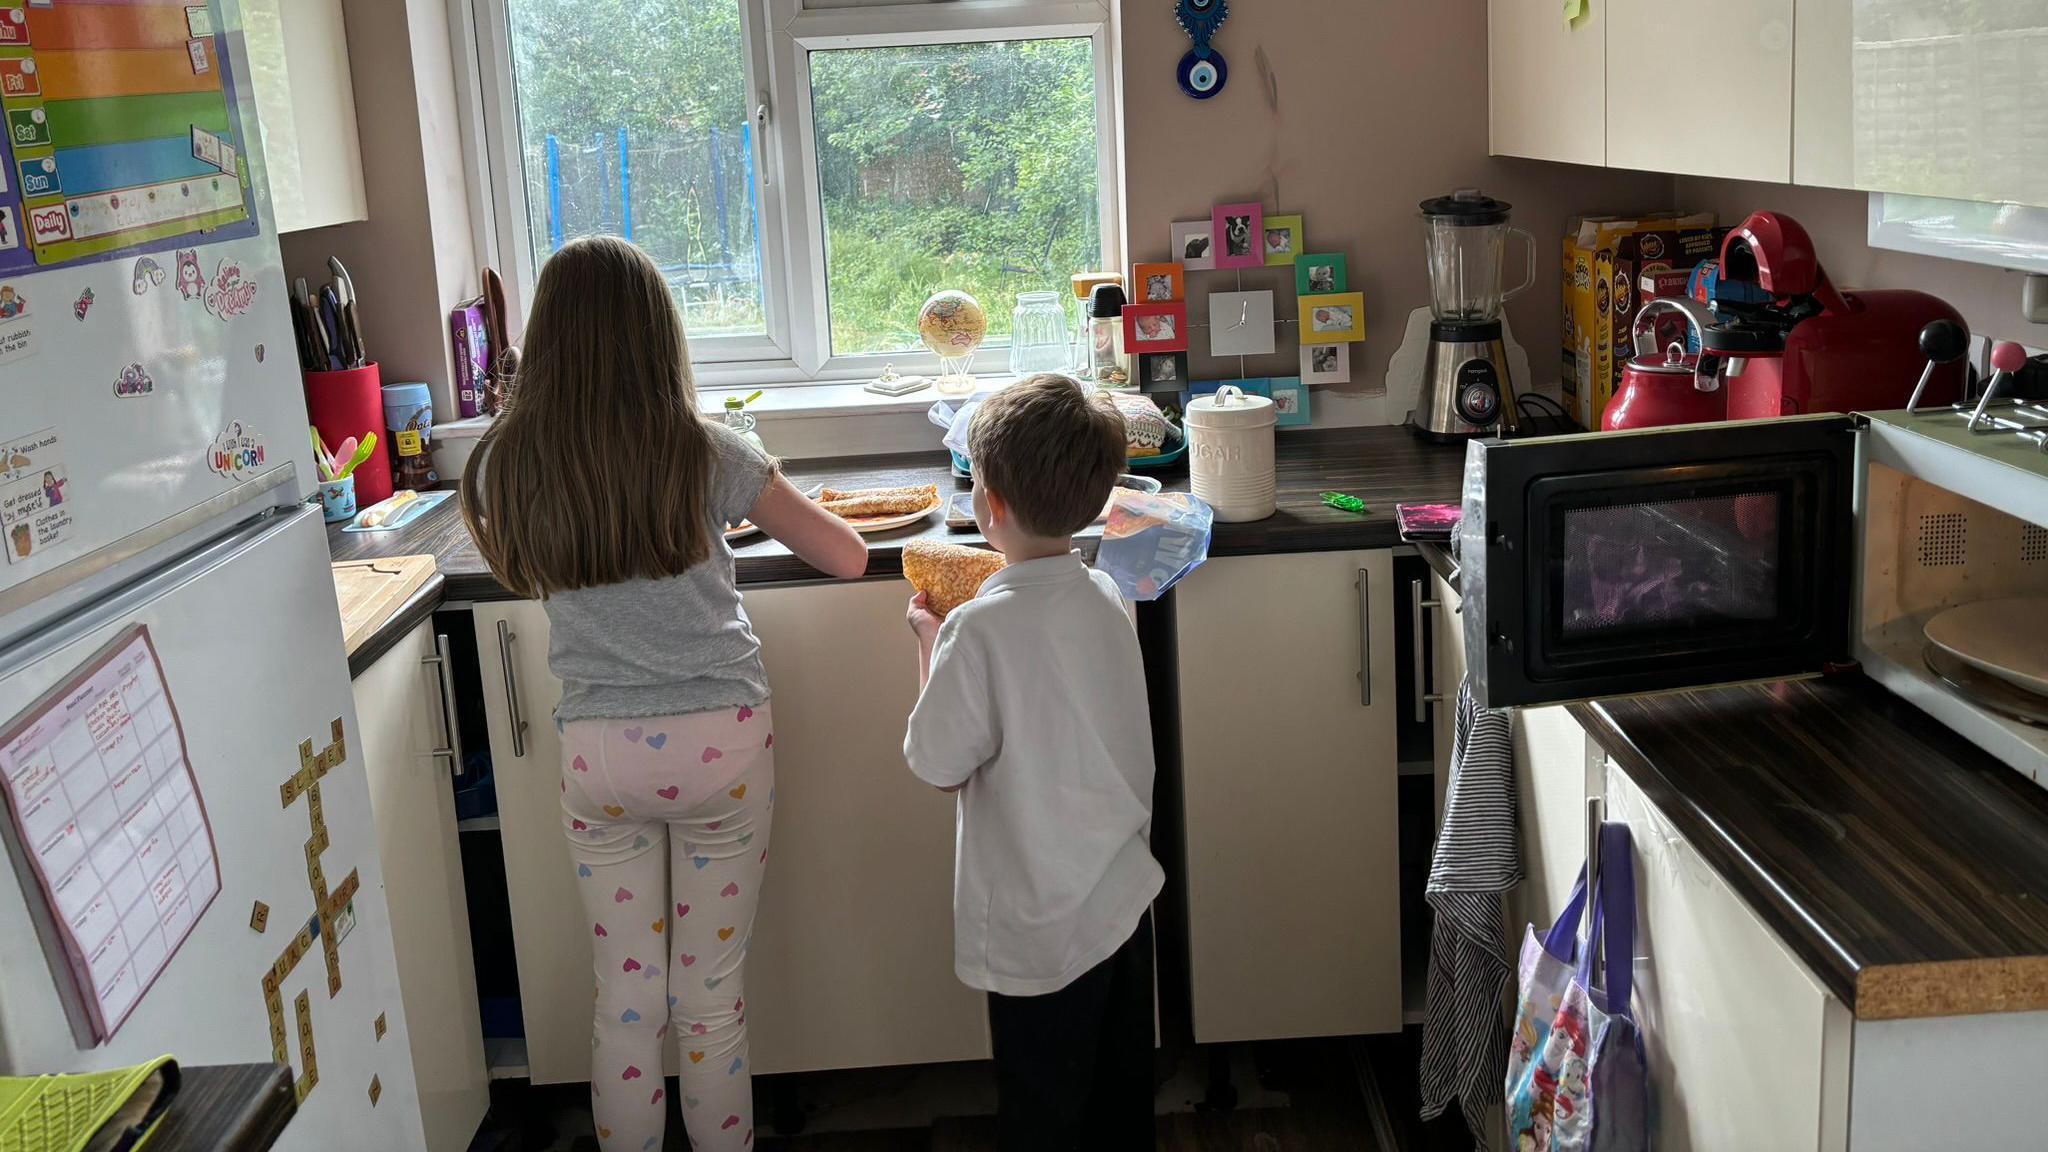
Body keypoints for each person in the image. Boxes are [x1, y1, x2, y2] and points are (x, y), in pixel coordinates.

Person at [461, 235, 867, 1152]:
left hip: (598, 756)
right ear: (658, 336)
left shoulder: (506, 461)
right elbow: (844, 555)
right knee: (709, 998)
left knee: (630, 999)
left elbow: (524, 567)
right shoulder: (709, 450)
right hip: (719, 743)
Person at [902, 374, 1163, 1151]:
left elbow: (938, 759)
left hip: (1038, 930)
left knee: (1042, 1111)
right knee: (1120, 1106)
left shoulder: (975, 632)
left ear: (991, 505)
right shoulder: (1108, 595)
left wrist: (926, 641)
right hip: (1119, 904)